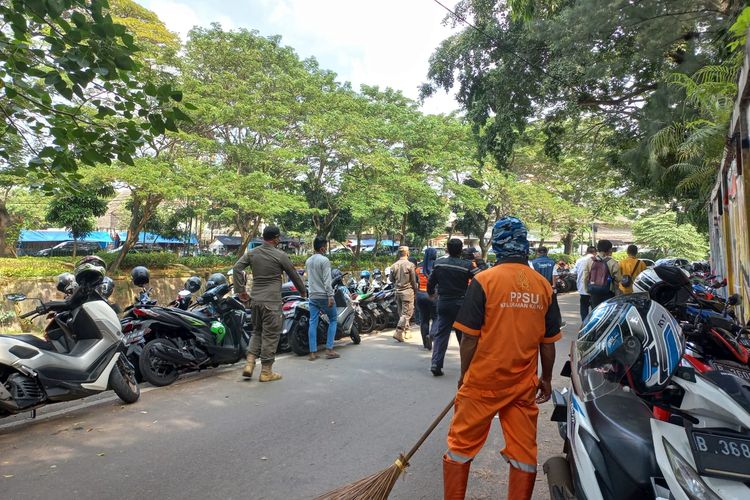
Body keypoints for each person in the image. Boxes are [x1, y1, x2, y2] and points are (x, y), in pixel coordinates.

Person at [443, 216, 562, 500]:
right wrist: (545, 378)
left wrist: (464, 376)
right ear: (525, 246)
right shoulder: (543, 286)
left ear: (497, 244)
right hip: (522, 385)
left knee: (460, 448)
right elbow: (548, 343)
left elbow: (469, 337)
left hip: (483, 381)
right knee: (524, 453)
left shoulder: (484, 280)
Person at [233, 225, 306, 382]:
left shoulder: (252, 253)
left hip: (255, 301)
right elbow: (294, 275)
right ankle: (266, 371)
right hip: (271, 302)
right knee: (270, 335)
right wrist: (303, 292)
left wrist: (241, 291)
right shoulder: (280, 255)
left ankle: (249, 363)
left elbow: (237, 267)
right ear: (276, 238)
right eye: (279, 238)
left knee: (257, 332)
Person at [427, 238, 477, 376]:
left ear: (447, 249)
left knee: (441, 334)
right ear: (461, 250)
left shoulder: (438, 264)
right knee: (463, 336)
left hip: (444, 303)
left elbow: (431, 283)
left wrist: (431, 294)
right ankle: (467, 368)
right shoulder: (467, 265)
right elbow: (481, 277)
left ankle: (436, 363)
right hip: (461, 303)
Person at [305, 236, 339, 361]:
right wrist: (330, 296)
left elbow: (309, 278)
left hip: (312, 295)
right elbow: (327, 280)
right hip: (324, 295)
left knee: (312, 322)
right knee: (333, 319)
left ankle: (312, 353)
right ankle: (329, 349)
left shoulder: (308, 261)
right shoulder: (324, 260)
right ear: (322, 248)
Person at [582, 239, 622, 309]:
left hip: (594, 292)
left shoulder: (589, 261)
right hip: (608, 292)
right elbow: (618, 279)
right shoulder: (613, 263)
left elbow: (585, 277)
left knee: (595, 313)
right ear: (609, 249)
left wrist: (587, 290)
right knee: (607, 313)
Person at [391, 246, 418, 342]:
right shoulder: (410, 265)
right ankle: (398, 332)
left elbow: (391, 279)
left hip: (397, 291)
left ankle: (407, 331)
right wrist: (415, 291)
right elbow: (413, 281)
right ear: (407, 253)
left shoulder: (394, 265)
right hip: (407, 292)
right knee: (406, 314)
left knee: (401, 313)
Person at [415, 247, 438, 350]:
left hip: (420, 295)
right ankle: (431, 336)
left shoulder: (418, 267)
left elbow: (416, 282)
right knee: (436, 317)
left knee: (424, 319)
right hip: (432, 295)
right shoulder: (436, 266)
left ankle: (425, 343)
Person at [574, 246, 596, 321]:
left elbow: (574, 272)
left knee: (584, 307)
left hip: (582, 288)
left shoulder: (579, 260)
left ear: (587, 252)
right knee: (595, 307)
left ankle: (584, 323)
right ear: (595, 252)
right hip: (595, 288)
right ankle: (594, 324)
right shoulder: (597, 260)